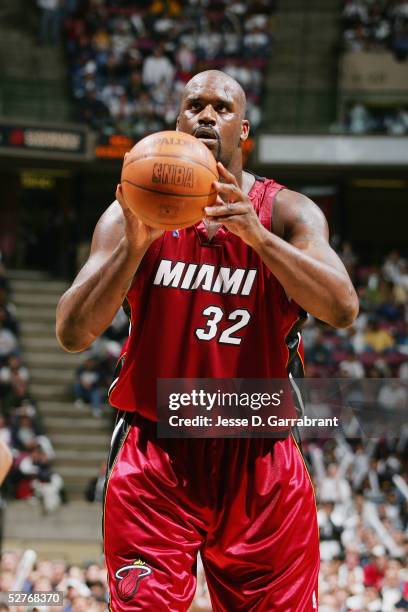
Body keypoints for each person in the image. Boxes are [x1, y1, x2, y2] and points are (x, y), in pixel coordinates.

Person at [56, 70, 358, 611]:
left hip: (258, 457)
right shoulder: (132, 212)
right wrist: (134, 246)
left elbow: (342, 307)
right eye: (194, 105)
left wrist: (257, 238)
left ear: (244, 131)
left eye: (222, 108)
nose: (206, 115)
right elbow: (73, 333)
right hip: (156, 457)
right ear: (177, 121)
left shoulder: (287, 213)